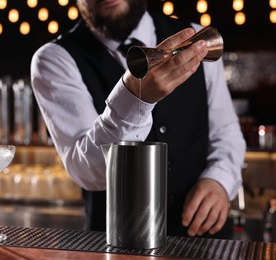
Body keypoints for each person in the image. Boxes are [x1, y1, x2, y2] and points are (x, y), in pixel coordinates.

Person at [30, 0, 246, 238]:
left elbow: (226, 132)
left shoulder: (196, 38)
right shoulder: (54, 58)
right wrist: (134, 98)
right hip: (116, 243)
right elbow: (88, 172)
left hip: (204, 242)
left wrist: (219, 181)